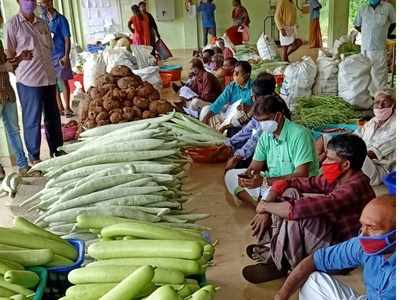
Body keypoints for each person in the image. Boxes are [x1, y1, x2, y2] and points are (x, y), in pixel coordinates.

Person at [242, 134, 375, 284]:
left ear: (346, 165)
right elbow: (294, 182)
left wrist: (265, 206)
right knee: (289, 193)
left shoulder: (355, 187)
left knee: (298, 216)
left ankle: (279, 264)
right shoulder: (338, 178)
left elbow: (299, 209)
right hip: (330, 231)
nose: (324, 162)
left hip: (337, 253)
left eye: (330, 159)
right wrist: (266, 204)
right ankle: (277, 252)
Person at [274, 195, 395, 300]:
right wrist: (281, 295)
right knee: (312, 281)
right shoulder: (361, 244)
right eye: (363, 225)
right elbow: (315, 260)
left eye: (372, 227)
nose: (363, 234)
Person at [226, 94, 319, 207]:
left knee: (289, 195)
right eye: (259, 121)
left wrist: (265, 181)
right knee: (230, 176)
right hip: (271, 184)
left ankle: (267, 206)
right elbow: (254, 167)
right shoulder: (266, 136)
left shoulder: (300, 135)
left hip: (294, 186)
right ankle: (260, 205)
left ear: (278, 116)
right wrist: (247, 177)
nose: (261, 125)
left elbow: (301, 175)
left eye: (264, 120)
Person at [6, 0, 64, 162]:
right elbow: (10, 57)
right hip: (28, 80)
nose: (30, 2)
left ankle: (57, 150)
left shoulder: (43, 23)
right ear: (18, 1)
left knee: (53, 116)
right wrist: (20, 58)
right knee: (32, 119)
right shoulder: (13, 25)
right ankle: (34, 156)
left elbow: (49, 49)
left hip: (48, 77)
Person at [316, 88, 395, 186]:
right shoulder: (373, 121)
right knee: (326, 138)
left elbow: (372, 154)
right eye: (377, 102)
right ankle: (315, 167)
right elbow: (355, 136)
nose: (380, 106)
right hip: (357, 155)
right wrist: (339, 144)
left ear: (393, 104)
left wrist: (343, 151)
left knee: (340, 153)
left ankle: (328, 172)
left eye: (385, 102)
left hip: (374, 168)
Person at [221, 73, 277, 171]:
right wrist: (229, 142)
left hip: (271, 149)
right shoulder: (261, 105)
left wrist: (238, 156)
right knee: (235, 137)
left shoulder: (271, 111)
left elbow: (257, 137)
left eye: (253, 96)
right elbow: (249, 128)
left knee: (243, 162)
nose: (252, 98)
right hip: (260, 140)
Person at [0, 9, 31, 176]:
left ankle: (22, 165)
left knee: (13, 130)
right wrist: (4, 67)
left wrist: (20, 58)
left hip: (7, 93)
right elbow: (4, 66)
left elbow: (8, 64)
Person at [40, 0, 74, 118]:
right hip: (48, 56)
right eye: (41, 3)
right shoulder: (42, 19)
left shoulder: (60, 19)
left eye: (44, 3)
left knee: (62, 81)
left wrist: (66, 55)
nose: (42, 6)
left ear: (50, 2)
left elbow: (67, 39)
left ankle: (67, 108)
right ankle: (59, 108)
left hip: (60, 54)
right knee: (53, 83)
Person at [354, 0, 395, 95]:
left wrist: (388, 34)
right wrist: (366, 32)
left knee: (379, 74)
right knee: (366, 72)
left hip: (379, 47)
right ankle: (369, 96)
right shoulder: (362, 9)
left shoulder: (388, 7)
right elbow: (357, 25)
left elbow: (395, 22)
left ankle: (381, 98)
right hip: (365, 47)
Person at [200, 61, 253, 130]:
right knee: (205, 110)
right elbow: (220, 101)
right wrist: (207, 117)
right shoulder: (232, 85)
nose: (234, 75)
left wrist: (248, 107)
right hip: (229, 111)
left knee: (238, 115)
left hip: (242, 116)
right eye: (234, 72)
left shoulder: (254, 88)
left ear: (247, 75)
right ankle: (215, 128)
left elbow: (258, 107)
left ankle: (221, 129)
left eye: (238, 73)